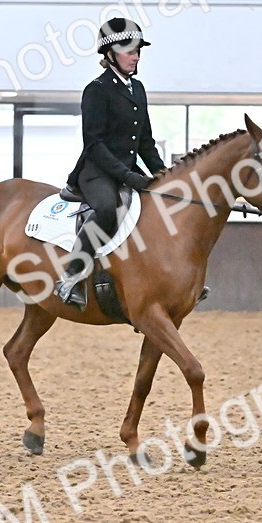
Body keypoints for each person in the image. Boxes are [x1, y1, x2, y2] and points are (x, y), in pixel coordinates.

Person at [55, 17, 165, 306]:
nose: (136, 56)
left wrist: (164, 174)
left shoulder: (137, 88)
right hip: (96, 170)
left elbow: (145, 142)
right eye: (129, 50)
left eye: (138, 50)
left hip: (127, 170)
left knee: (162, 205)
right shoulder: (97, 90)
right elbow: (94, 144)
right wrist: (129, 177)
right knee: (107, 209)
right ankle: (71, 276)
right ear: (110, 54)